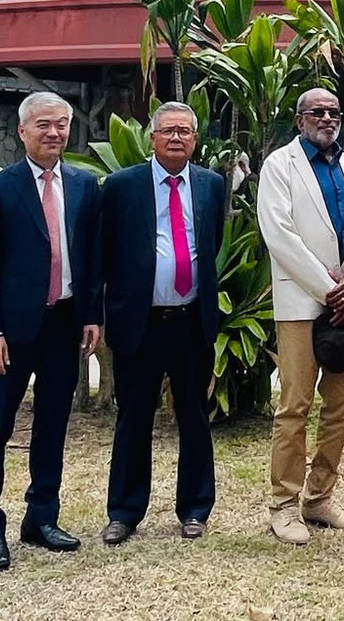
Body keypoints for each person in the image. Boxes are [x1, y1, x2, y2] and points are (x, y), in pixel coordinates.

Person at [0, 93, 100, 570]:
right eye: (43, 125)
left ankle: (41, 517)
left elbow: (90, 259)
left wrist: (92, 315)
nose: (54, 133)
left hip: (63, 323)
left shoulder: (85, 186)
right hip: (13, 329)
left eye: (62, 125)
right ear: (22, 131)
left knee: (52, 425)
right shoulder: (0, 188)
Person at [86, 101, 226, 545]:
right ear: (152, 137)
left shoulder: (210, 184)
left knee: (193, 416)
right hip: (139, 322)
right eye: (168, 131)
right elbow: (102, 252)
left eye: (185, 131)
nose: (177, 138)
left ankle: (195, 508)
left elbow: (212, 241)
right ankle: (125, 512)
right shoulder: (123, 186)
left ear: (195, 139)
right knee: (133, 417)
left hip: (190, 321)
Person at [256, 88, 344, 544]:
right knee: (295, 406)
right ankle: (284, 505)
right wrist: (331, 290)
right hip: (303, 304)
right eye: (317, 112)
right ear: (299, 118)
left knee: (342, 405)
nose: (327, 118)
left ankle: (319, 497)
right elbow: (279, 234)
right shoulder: (279, 165)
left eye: (333, 112)